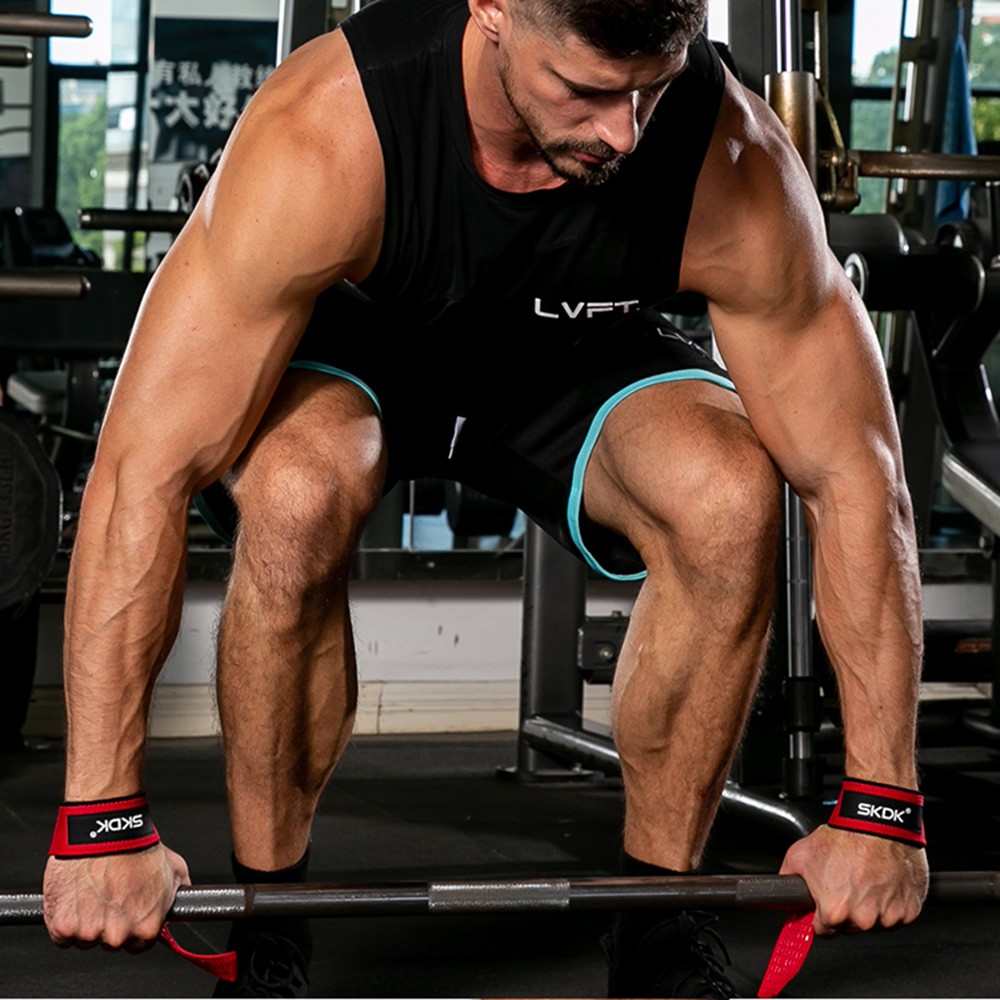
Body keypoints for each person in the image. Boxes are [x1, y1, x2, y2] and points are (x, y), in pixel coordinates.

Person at [42, 0, 930, 995]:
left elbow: (857, 474)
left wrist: (883, 803)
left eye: (650, 89)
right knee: (293, 495)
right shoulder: (327, 131)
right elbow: (140, 470)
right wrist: (101, 813)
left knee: (731, 497)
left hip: (577, 355)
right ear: (493, 9)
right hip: (360, 353)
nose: (622, 133)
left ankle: (655, 924)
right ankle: (271, 922)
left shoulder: (729, 158)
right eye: (586, 89)